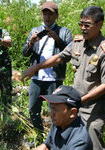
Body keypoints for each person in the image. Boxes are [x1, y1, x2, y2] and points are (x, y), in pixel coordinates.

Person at [22, 5, 105, 150]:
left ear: (99, 25)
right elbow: (59, 58)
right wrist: (36, 68)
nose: (83, 28)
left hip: (95, 105)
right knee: (66, 135)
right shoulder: (76, 43)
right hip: (76, 103)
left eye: (87, 25)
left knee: (92, 139)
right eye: (81, 24)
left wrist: (82, 100)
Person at [22, 1, 72, 135]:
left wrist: (58, 39)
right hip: (37, 77)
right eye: (45, 14)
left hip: (54, 79)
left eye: (50, 14)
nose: (47, 17)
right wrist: (31, 42)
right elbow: (25, 53)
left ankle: (54, 138)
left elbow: (69, 54)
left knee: (55, 111)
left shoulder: (64, 31)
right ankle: (39, 135)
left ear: (56, 15)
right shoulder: (35, 30)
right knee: (33, 109)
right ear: (41, 15)